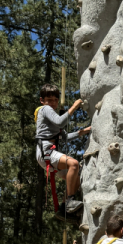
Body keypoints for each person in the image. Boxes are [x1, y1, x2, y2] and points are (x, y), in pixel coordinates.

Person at [35, 85, 91, 219]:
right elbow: (60, 122)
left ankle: (63, 209)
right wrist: (74, 107)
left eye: (55, 100)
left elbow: (65, 137)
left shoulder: (52, 117)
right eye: (49, 100)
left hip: (47, 153)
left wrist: (85, 131)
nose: (53, 103)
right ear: (42, 101)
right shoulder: (45, 109)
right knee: (74, 164)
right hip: (46, 151)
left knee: (77, 176)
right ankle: (70, 201)